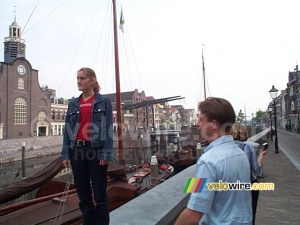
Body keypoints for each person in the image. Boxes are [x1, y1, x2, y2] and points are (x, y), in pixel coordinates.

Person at [175, 97, 252, 225]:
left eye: (201, 120)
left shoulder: (209, 161)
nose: (197, 124)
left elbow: (193, 214)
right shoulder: (241, 155)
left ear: (214, 124)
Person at [61, 67, 113, 225]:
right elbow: (67, 131)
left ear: (92, 80)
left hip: (95, 151)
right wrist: (65, 154)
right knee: (83, 195)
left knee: (99, 195)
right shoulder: (73, 104)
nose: (79, 81)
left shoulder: (104, 101)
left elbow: (108, 128)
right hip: (77, 150)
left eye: (82, 78)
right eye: (77, 78)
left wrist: (106, 154)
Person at [230, 123, 268, 225]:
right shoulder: (248, 148)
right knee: (250, 215)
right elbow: (257, 170)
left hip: (232, 186)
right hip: (250, 185)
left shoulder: (225, 149)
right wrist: (261, 155)